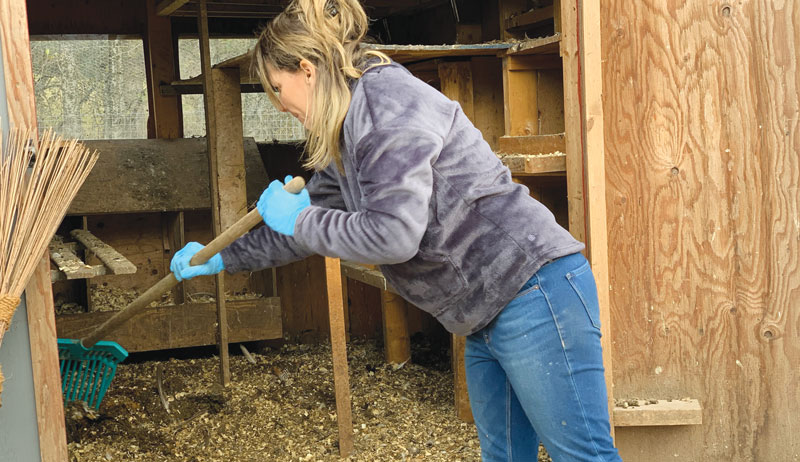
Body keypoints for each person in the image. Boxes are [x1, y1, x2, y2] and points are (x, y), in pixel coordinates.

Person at [170, 1, 622, 460]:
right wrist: (223, 256)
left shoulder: (387, 105)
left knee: (584, 457)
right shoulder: (346, 129)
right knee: (505, 456)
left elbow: (392, 234)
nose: (281, 105)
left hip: (532, 290)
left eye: (278, 88)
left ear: (306, 70)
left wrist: (301, 218)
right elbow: (306, 229)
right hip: (483, 311)